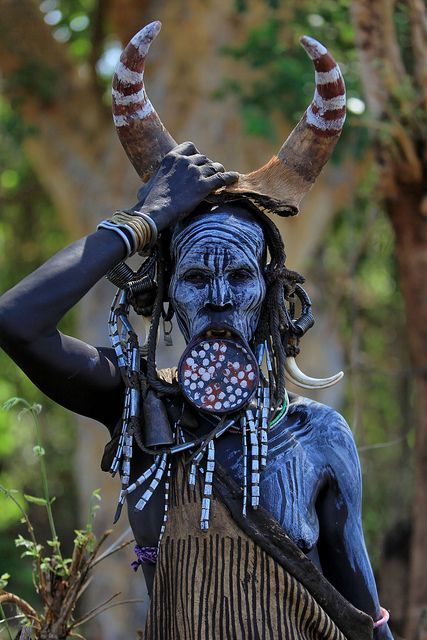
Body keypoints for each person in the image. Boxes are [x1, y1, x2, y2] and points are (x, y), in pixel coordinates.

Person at [0, 22, 392, 640]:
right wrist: (144, 218)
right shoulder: (138, 406)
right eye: (193, 277)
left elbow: (363, 615)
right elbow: (17, 322)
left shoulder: (317, 435)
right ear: (168, 297)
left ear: (270, 294)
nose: (216, 298)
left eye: (239, 276)